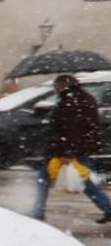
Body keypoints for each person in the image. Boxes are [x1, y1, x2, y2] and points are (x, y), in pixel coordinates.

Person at [32, 74, 111, 224]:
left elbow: (72, 130)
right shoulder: (83, 98)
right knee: (85, 181)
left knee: (44, 179)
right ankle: (108, 208)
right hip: (77, 148)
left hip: (66, 149)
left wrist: (67, 153)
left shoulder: (71, 103)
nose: (55, 91)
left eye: (56, 88)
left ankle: (38, 211)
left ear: (62, 87)